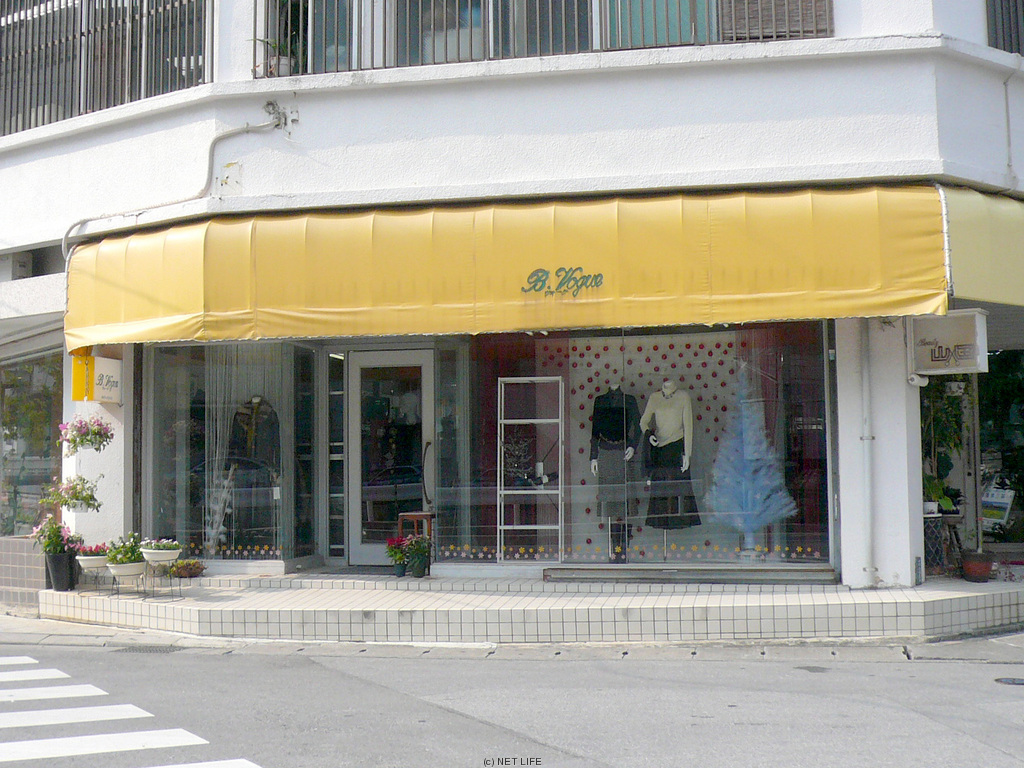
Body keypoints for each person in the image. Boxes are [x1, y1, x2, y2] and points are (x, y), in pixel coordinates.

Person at [639, 380, 700, 529]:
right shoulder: (654, 397)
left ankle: (678, 522)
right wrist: (648, 435)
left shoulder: (683, 396)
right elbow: (643, 422)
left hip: (677, 447)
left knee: (677, 488)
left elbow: (688, 426)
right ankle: (662, 523)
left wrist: (687, 454)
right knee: (661, 490)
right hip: (659, 449)